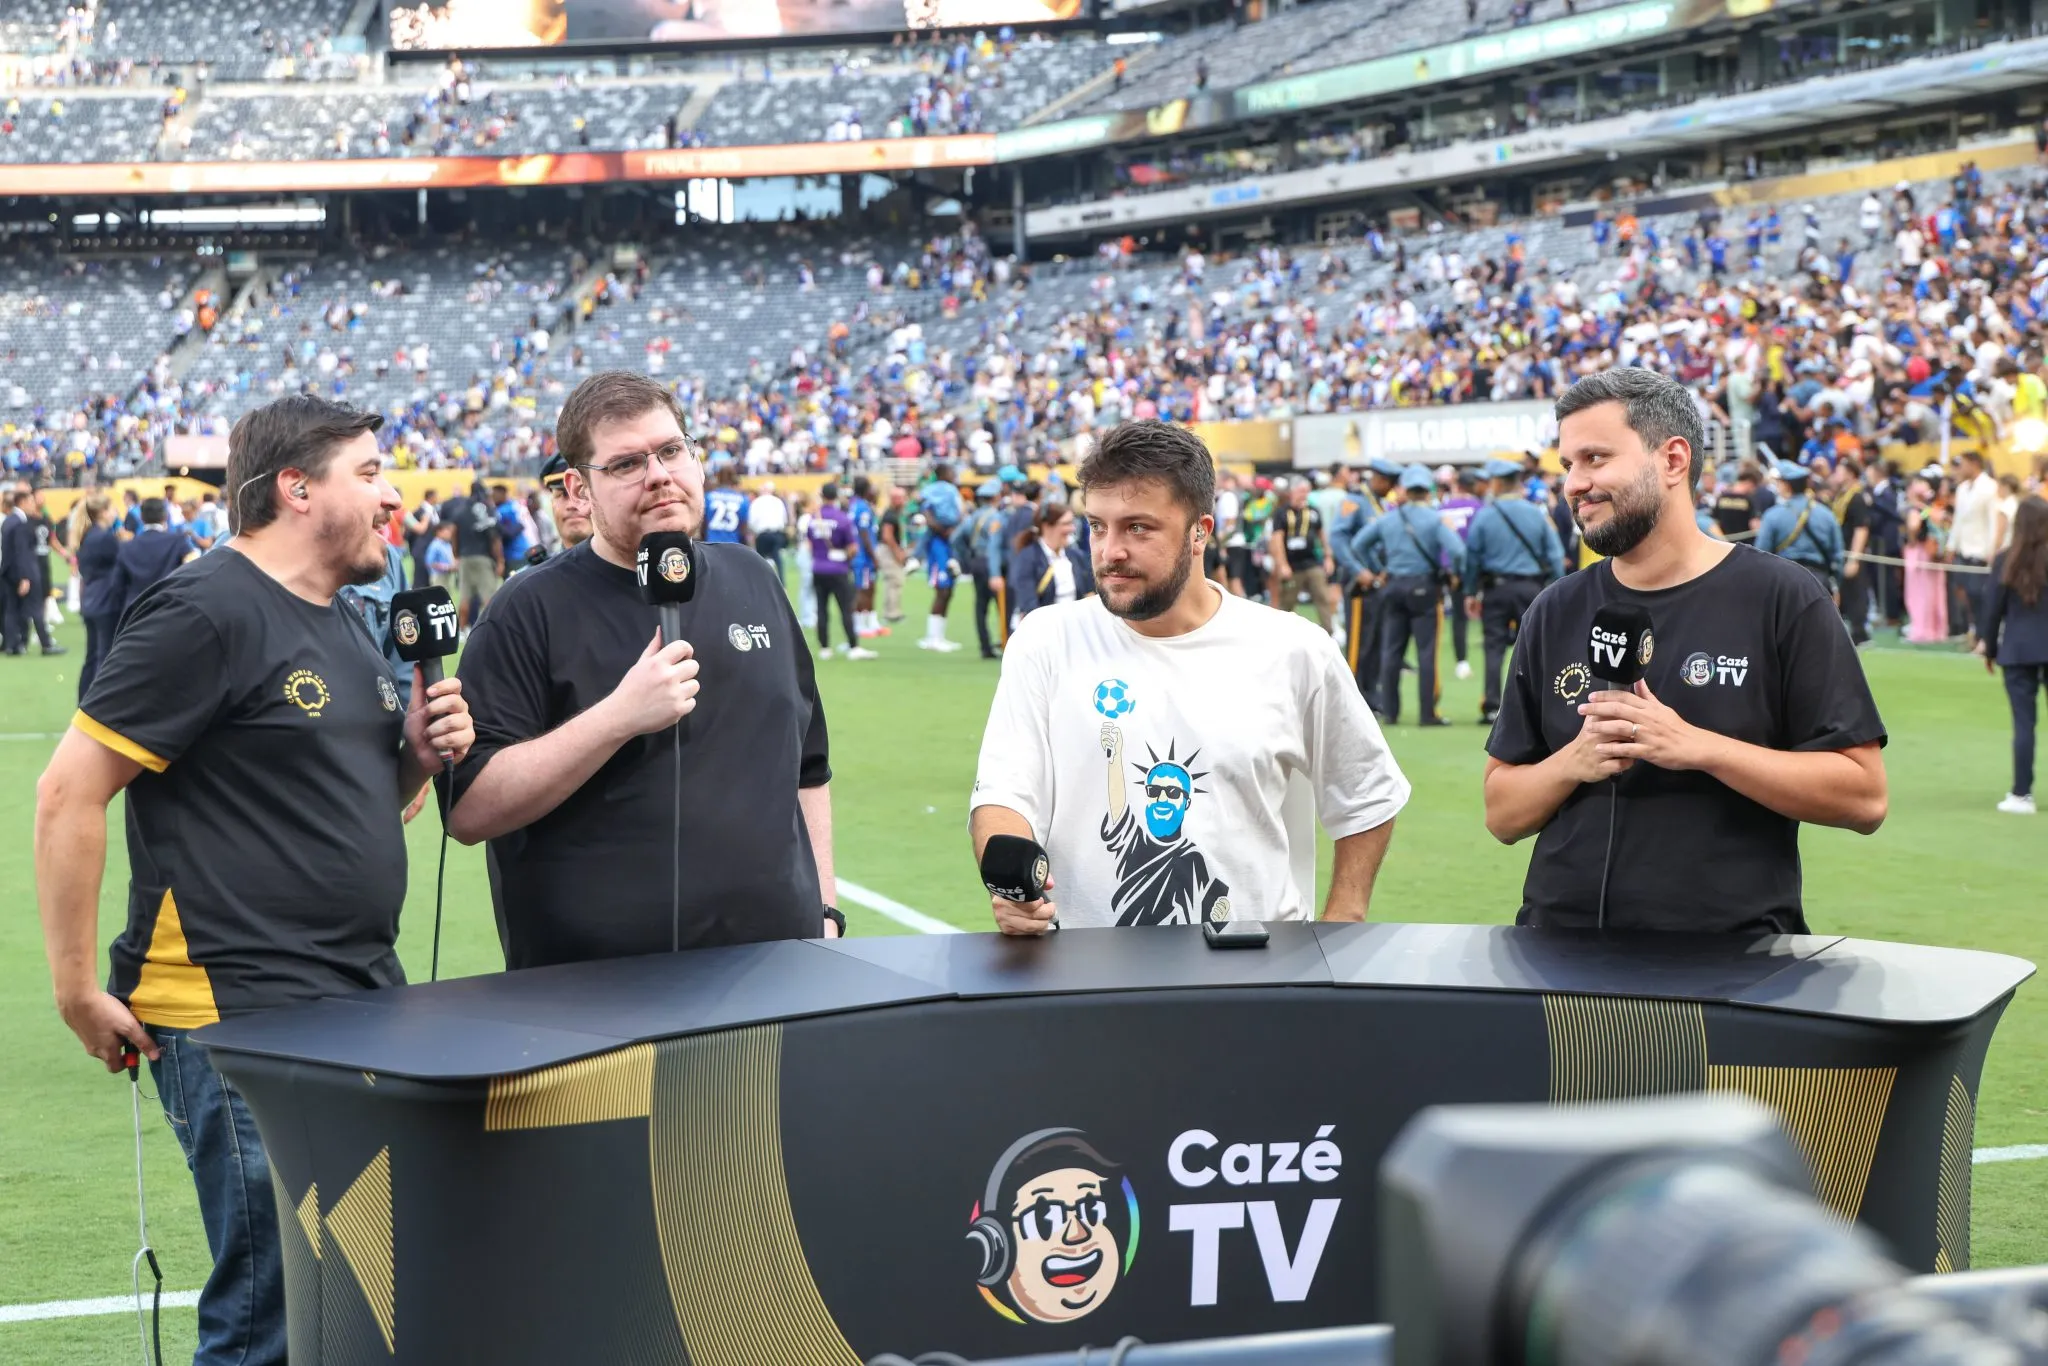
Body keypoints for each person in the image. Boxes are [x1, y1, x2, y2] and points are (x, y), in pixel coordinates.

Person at [33, 394, 473, 1366]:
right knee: (272, 1314)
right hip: (236, 1016)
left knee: (362, 1295)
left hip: (360, 995)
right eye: (369, 472)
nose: (394, 493)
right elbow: (68, 790)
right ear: (296, 487)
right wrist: (75, 988)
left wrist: (414, 755)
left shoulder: (358, 621)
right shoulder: (207, 608)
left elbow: (365, 802)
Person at [448, 371, 843, 969]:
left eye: (670, 450)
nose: (659, 474)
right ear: (579, 490)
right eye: (627, 464)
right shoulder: (527, 610)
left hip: (777, 970)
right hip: (598, 998)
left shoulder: (754, 578)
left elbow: (808, 767)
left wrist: (826, 909)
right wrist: (617, 718)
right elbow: (469, 808)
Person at [1483, 368, 1888, 933]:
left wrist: (1698, 747)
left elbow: (1865, 797)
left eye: (1595, 458)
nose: (1574, 483)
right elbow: (1501, 812)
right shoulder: (1555, 609)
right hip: (1558, 961)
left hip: (1730, 974)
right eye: (1568, 465)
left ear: (1673, 461)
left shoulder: (1782, 597)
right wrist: (1574, 761)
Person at [971, 421, 1408, 932]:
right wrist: (1014, 889)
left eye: (1138, 528)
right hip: (1081, 979)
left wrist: (1342, 924)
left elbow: (1368, 795)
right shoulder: (1045, 639)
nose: (1110, 551)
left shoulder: (1292, 647)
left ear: (1201, 531)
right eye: (1096, 526)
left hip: (1253, 979)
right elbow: (1004, 794)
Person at [1350, 465, 1463, 726]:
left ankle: (1390, 711)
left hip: (1393, 586)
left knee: (1391, 651)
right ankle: (1427, 713)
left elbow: (1358, 545)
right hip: (1424, 586)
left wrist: (1379, 570)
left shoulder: (1389, 518)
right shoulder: (1434, 519)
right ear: (1427, 491)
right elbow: (1457, 551)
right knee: (1426, 652)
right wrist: (1454, 573)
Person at [1464, 459, 1564, 726]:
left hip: (1496, 589)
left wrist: (1471, 593)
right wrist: (1555, 587)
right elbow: (1554, 554)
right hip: (1531, 588)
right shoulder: (1535, 513)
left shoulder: (1485, 515)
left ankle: (1492, 706)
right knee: (1536, 647)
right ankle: (1540, 705)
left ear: (1496, 483)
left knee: (1493, 647)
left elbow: (1472, 557)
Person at [1978, 495, 2048, 814]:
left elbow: (1993, 611)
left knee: (2024, 724)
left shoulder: (2007, 559)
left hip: (2018, 650)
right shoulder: (2009, 559)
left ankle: (2022, 794)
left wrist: (1989, 649)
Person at [1333, 458, 1400, 700]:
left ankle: (1370, 695)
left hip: (1378, 582)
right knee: (1358, 643)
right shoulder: (1354, 501)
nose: (1391, 488)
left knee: (1376, 641)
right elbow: (1338, 539)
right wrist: (1357, 570)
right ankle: (1350, 697)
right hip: (1359, 584)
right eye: (1389, 483)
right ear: (1379, 479)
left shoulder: (1380, 504)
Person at [808, 481, 872, 660]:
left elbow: (810, 544)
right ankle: (853, 645)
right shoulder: (842, 518)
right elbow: (852, 548)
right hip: (838, 568)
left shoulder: (815, 518)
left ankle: (824, 648)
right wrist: (846, 556)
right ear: (836, 496)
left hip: (818, 567)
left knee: (821, 609)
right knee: (846, 608)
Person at [1757, 460, 1844, 588]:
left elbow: (1762, 554)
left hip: (1785, 581)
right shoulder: (1826, 514)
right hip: (1819, 581)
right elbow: (1837, 555)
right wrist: (1835, 584)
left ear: (1786, 485)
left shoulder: (1772, 515)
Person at [112, 497, 200, 619]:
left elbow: (117, 584)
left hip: (135, 611)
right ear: (165, 516)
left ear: (141, 517)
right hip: (169, 609)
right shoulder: (177, 541)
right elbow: (192, 572)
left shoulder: (127, 547)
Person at [1006, 500, 1092, 621]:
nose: (1072, 528)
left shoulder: (1076, 556)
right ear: (1047, 526)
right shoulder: (1027, 558)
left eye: (1071, 523)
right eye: (1066, 524)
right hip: (1044, 631)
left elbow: (1089, 595)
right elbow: (1029, 606)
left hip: (1074, 629)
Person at [6, 481, 65, 655]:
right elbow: (21, 552)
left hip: (11, 572)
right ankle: (45, 644)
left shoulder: (11, 520)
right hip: (25, 571)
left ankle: (15, 644)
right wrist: (24, 576)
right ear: (23, 502)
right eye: (31, 501)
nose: (34, 505)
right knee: (35, 608)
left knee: (15, 609)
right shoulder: (20, 523)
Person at [1269, 477, 1334, 632]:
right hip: (1291, 564)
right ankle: (1281, 633)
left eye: (1306, 491)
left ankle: (1329, 631)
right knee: (1287, 602)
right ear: (1292, 492)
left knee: (1323, 596)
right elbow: (1277, 540)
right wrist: (1282, 564)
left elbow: (1321, 535)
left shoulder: (1313, 511)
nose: (1304, 495)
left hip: (1311, 562)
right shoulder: (1282, 512)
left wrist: (1328, 557)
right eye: (1301, 491)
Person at [74, 494, 120, 698]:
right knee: (104, 655)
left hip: (90, 599)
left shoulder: (88, 536)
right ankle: (99, 704)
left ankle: (84, 701)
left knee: (92, 655)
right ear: (102, 512)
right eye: (111, 509)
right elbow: (121, 561)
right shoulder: (105, 537)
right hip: (105, 601)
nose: (115, 513)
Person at [1951, 449, 2000, 640]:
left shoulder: (1990, 487)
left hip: (1980, 552)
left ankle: (1985, 636)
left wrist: (1992, 550)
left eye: (1962, 464)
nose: (1959, 469)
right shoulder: (1962, 489)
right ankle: (1973, 632)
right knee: (1965, 594)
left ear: (1974, 464)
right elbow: (1958, 519)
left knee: (1980, 596)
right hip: (1963, 550)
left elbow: (1993, 521)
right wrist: (1951, 544)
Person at [442, 479, 503, 630]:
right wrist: (500, 560)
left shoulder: (460, 510)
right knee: (489, 598)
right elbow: (495, 538)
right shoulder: (487, 509)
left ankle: (462, 631)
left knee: (464, 598)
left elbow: (454, 535)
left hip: (465, 558)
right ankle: (492, 629)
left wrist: (456, 555)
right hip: (483, 558)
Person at [918, 463, 965, 652]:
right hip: (938, 544)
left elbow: (960, 513)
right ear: (943, 474)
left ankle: (939, 636)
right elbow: (927, 514)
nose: (954, 474)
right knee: (942, 590)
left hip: (949, 542)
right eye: (951, 471)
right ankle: (932, 638)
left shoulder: (952, 491)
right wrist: (943, 530)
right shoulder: (932, 492)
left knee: (949, 590)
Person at [961, 479, 1009, 658]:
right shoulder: (997, 517)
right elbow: (995, 545)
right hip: (992, 562)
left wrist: (967, 556)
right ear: (996, 496)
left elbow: (957, 538)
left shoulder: (973, 517)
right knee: (1002, 604)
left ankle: (985, 646)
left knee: (981, 606)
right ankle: (1005, 641)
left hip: (977, 561)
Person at [849, 475, 884, 638]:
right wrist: (874, 555)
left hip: (862, 556)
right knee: (862, 590)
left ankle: (871, 622)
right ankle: (859, 625)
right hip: (863, 556)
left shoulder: (854, 505)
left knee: (869, 588)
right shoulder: (862, 508)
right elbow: (864, 533)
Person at [540, 452, 592, 550]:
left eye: (581, 493)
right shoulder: (540, 565)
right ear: (552, 503)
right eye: (561, 495)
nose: (572, 505)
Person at [747, 478, 790, 582]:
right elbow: (784, 520)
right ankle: (782, 584)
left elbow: (751, 522)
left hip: (762, 535)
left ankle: (761, 583)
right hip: (777, 534)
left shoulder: (756, 502)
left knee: (761, 561)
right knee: (778, 559)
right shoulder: (778, 501)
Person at [877, 485, 909, 625]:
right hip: (887, 550)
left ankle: (892, 611)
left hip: (888, 549)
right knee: (894, 580)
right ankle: (891, 613)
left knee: (894, 581)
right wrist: (898, 552)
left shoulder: (893, 513)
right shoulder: (890, 514)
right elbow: (887, 536)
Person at [703, 463, 751, 546]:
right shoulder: (743, 499)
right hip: (733, 545)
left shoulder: (709, 496)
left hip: (711, 544)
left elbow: (703, 523)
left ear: (718, 478)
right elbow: (744, 529)